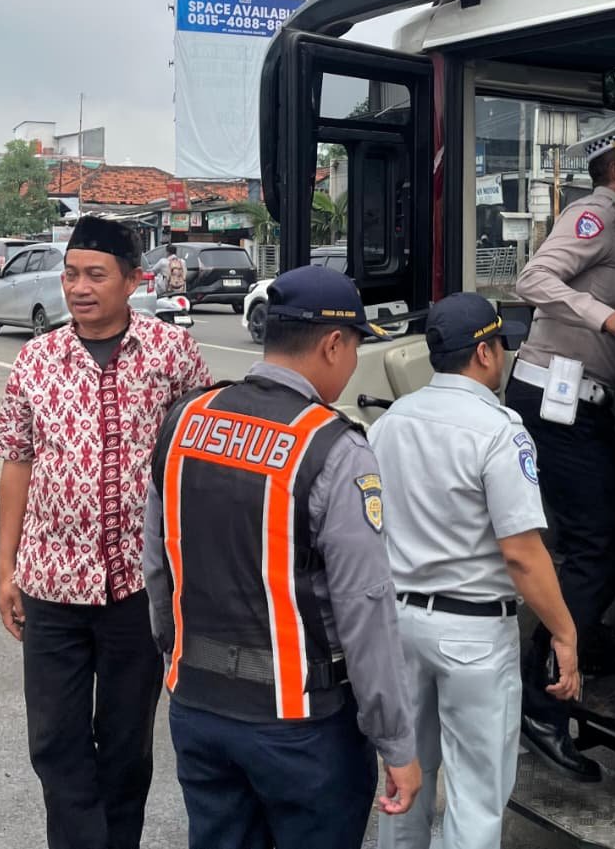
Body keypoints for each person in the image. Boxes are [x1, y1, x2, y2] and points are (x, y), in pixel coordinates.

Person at [143, 264, 422, 849]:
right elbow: (365, 608)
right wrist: (395, 742)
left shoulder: (185, 421)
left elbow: (157, 569)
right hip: (301, 729)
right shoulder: (333, 448)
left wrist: (177, 658)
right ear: (332, 344)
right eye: (353, 351)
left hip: (197, 709)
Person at [0, 215, 212, 849]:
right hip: (51, 585)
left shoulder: (172, 353)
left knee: (124, 746)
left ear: (132, 280)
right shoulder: (37, 358)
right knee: (55, 743)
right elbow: (17, 461)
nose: (78, 288)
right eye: (70, 274)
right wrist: (5, 569)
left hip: (136, 591)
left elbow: (194, 457)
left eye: (95, 275)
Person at [370, 292, 581, 849]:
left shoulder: (391, 421)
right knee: (477, 795)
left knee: (404, 778)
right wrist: (564, 631)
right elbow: (521, 552)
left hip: (398, 623)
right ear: (485, 353)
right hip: (472, 635)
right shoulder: (500, 429)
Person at [506, 108, 615, 782]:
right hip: (554, 398)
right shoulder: (594, 214)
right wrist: (609, 316)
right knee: (598, 532)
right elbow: (533, 279)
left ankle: (579, 636)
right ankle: (542, 696)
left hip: (581, 403)